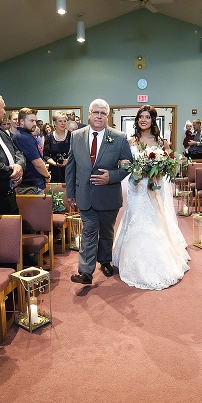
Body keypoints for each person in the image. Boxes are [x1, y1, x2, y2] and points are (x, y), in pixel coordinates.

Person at [112, 105, 190, 290]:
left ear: (153, 120)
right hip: (137, 187)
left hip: (155, 186)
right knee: (136, 217)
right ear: (137, 120)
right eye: (141, 117)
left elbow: (170, 165)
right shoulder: (130, 141)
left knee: (155, 219)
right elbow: (124, 163)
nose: (143, 120)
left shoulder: (162, 142)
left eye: (147, 117)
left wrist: (158, 169)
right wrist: (134, 168)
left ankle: (160, 257)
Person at [65, 98, 133, 285]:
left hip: (108, 195)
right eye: (96, 112)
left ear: (107, 116)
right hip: (84, 195)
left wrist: (110, 176)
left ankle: (105, 260)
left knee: (107, 232)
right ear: (89, 114)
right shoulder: (76, 136)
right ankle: (86, 272)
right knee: (88, 231)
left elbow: (128, 166)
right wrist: (70, 193)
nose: (99, 116)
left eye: (103, 113)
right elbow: (71, 167)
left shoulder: (119, 138)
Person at [11, 107, 51, 194]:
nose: (34, 124)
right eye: (31, 121)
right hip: (31, 185)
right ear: (21, 121)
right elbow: (37, 163)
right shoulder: (23, 137)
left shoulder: (25, 135)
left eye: (35, 121)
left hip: (32, 183)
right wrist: (47, 175)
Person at [44, 110, 71, 183]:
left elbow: (76, 153)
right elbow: (46, 156)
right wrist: (55, 163)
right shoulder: (49, 136)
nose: (63, 123)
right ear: (54, 123)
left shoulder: (71, 135)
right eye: (60, 121)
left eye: (65, 121)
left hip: (69, 169)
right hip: (54, 170)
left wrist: (67, 160)